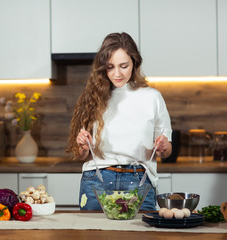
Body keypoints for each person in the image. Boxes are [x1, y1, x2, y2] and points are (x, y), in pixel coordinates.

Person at [67, 32, 172, 211]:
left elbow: (167, 151)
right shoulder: (92, 97)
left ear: (135, 63)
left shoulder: (152, 97)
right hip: (96, 181)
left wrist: (163, 147)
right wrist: (83, 146)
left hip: (140, 182)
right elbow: (80, 155)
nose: (117, 73)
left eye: (124, 66)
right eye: (110, 67)